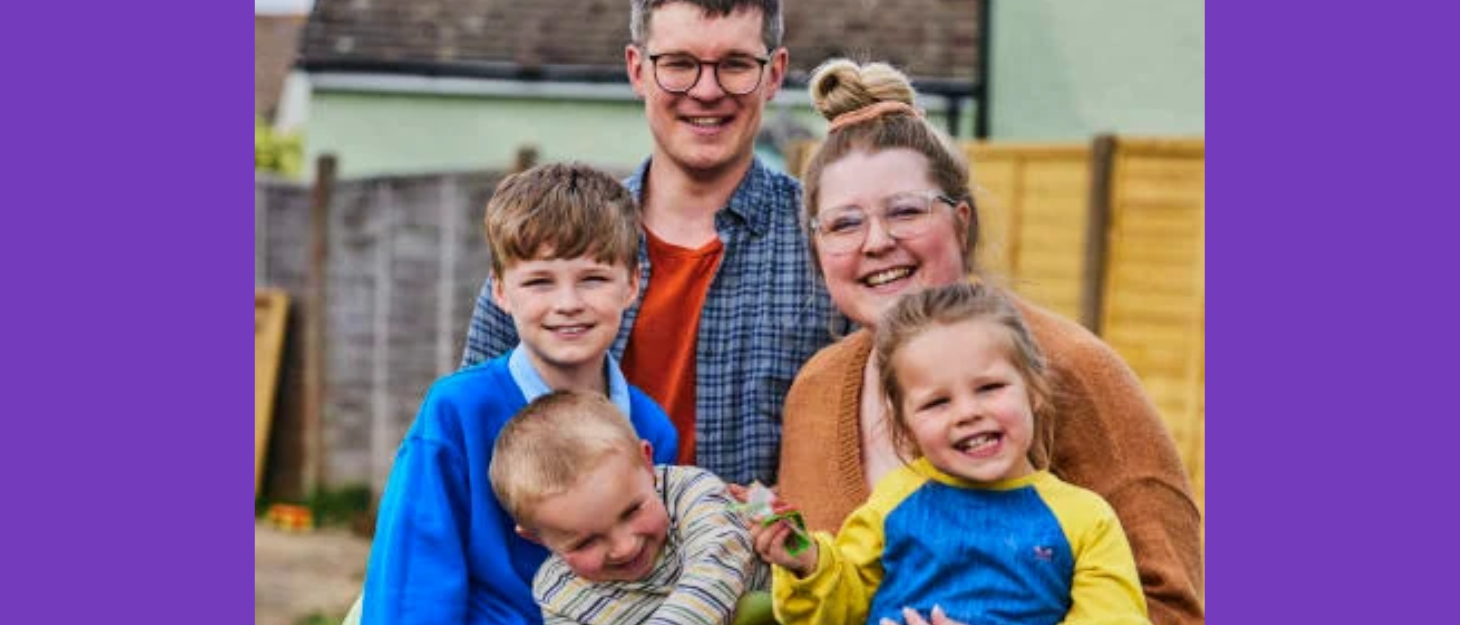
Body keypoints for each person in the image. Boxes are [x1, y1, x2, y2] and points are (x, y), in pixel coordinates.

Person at [774, 59, 1205, 624]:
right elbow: (823, 597)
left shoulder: (1073, 370)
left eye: (905, 211)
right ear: (818, 249)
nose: (877, 241)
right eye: (844, 223)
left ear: (961, 221)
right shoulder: (816, 390)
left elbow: (1173, 604)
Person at [460, 0, 841, 487]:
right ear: (638, 70)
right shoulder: (551, 244)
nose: (706, 91)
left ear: (774, 74)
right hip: (555, 563)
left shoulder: (829, 246)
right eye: (679, 64)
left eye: (735, 64)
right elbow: (478, 439)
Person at [360, 163, 681, 625]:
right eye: (539, 281)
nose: (567, 302)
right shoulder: (457, 414)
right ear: (501, 291)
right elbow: (414, 581)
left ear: (631, 283)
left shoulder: (650, 428)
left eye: (592, 278)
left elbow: (656, 582)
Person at [751, 283, 1150, 625]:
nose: (968, 413)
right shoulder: (896, 500)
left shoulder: (1085, 519)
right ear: (905, 425)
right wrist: (806, 560)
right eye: (937, 402)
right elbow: (844, 602)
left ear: (1033, 389)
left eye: (990, 387)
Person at [490, 390, 773, 625]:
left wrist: (772, 514)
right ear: (537, 538)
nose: (624, 547)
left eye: (631, 511)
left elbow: (718, 565)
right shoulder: (558, 596)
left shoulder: (693, 490)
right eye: (586, 541)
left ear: (647, 462)